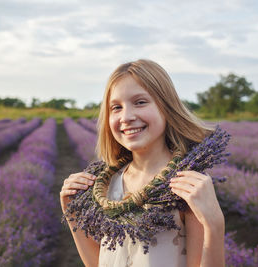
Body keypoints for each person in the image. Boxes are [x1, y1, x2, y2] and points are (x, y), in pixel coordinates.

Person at [60, 59, 225, 267]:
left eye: (140, 102)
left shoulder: (186, 185)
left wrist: (215, 224)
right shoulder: (105, 187)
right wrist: (72, 211)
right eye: (116, 107)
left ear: (166, 107)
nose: (126, 117)